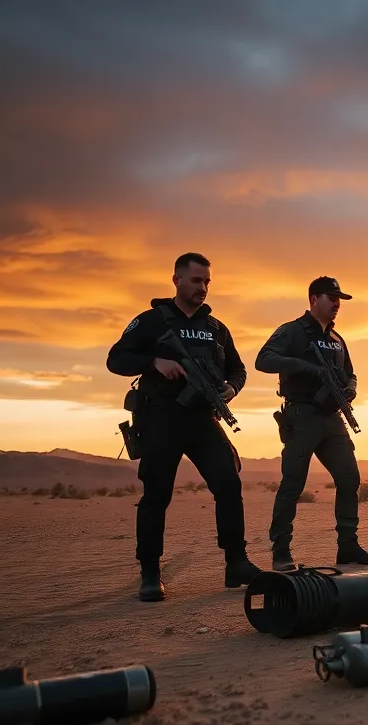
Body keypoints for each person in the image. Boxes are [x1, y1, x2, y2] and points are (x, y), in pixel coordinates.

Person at [105, 252, 260, 602]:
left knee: (228, 482)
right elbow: (116, 359)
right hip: (162, 416)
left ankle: (236, 562)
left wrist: (231, 388)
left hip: (204, 419)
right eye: (196, 280)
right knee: (157, 495)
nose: (202, 288)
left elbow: (238, 369)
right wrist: (154, 361)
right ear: (176, 280)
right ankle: (150, 572)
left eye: (207, 282)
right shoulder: (151, 321)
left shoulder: (216, 329)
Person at [254, 276, 368, 571]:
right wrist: (304, 367)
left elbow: (351, 373)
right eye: (331, 297)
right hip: (301, 416)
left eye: (339, 298)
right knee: (293, 483)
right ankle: (281, 551)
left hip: (332, 419)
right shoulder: (292, 331)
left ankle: (347, 546)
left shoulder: (338, 340)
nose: (337, 303)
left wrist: (350, 388)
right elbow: (263, 360)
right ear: (314, 299)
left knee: (349, 477)